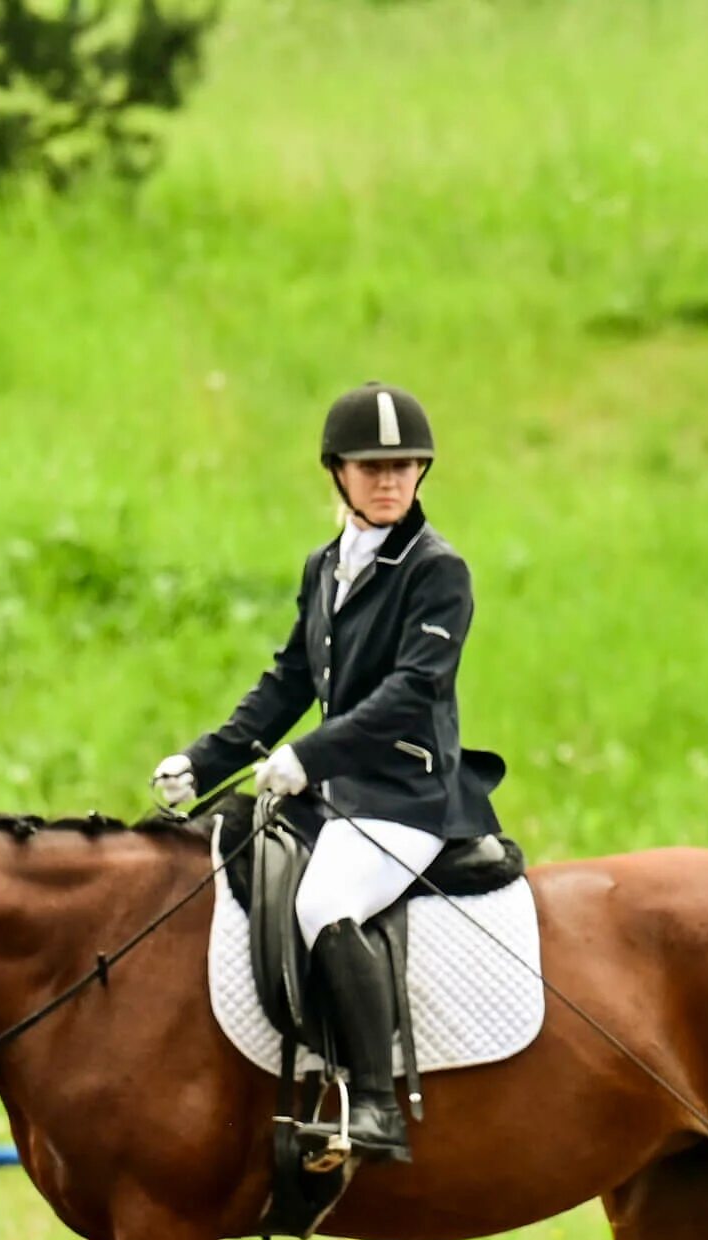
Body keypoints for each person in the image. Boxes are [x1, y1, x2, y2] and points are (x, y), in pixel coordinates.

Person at [152, 382, 504, 1163]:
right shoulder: (325, 566)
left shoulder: (438, 571)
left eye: (406, 465)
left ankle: (376, 1106)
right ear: (337, 473)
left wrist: (310, 757)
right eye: (372, 466)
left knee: (326, 903)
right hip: (336, 797)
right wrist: (204, 761)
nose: (390, 480)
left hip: (407, 798)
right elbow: (290, 681)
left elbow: (412, 692)